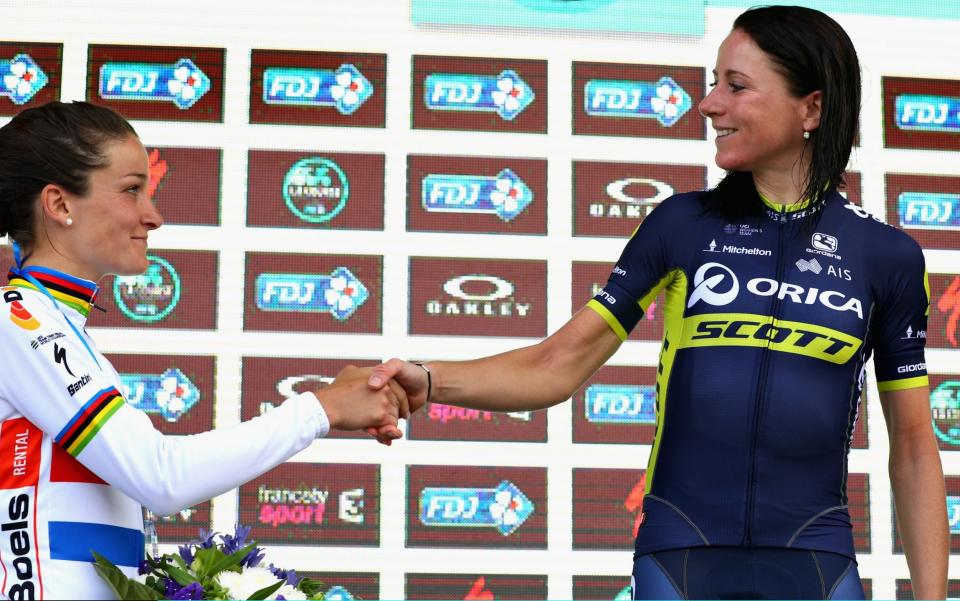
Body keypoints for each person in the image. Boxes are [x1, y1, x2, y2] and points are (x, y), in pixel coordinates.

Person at [368, 6, 948, 599]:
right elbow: (555, 366)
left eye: (736, 86)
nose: (709, 104)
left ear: (812, 108)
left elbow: (912, 447)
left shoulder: (886, 257)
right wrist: (430, 381)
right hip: (681, 559)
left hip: (816, 562)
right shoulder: (681, 225)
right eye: (713, 82)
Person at [0, 100, 409, 600]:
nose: (153, 216)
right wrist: (321, 408)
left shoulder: (51, 325)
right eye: (131, 190)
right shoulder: (17, 321)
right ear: (60, 205)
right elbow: (161, 477)